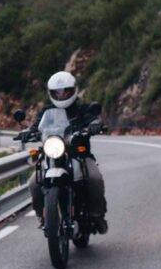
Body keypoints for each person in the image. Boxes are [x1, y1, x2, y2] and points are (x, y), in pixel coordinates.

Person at [28, 70, 108, 234]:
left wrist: (95, 124)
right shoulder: (46, 112)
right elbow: (37, 125)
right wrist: (29, 131)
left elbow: (94, 118)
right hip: (52, 155)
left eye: (65, 91)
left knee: (95, 178)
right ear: (51, 93)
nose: (61, 95)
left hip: (80, 155)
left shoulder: (83, 109)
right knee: (34, 184)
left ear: (73, 90)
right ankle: (43, 216)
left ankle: (97, 215)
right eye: (57, 92)